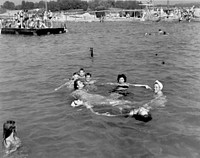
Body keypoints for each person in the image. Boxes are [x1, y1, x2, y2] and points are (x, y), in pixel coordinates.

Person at [71, 79, 152, 122]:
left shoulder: (83, 90)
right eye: (80, 83)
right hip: (96, 101)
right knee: (119, 102)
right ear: (77, 86)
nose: (82, 83)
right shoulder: (76, 92)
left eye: (81, 82)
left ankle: (136, 110)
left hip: (98, 99)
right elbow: (76, 98)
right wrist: (80, 103)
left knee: (120, 102)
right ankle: (137, 109)